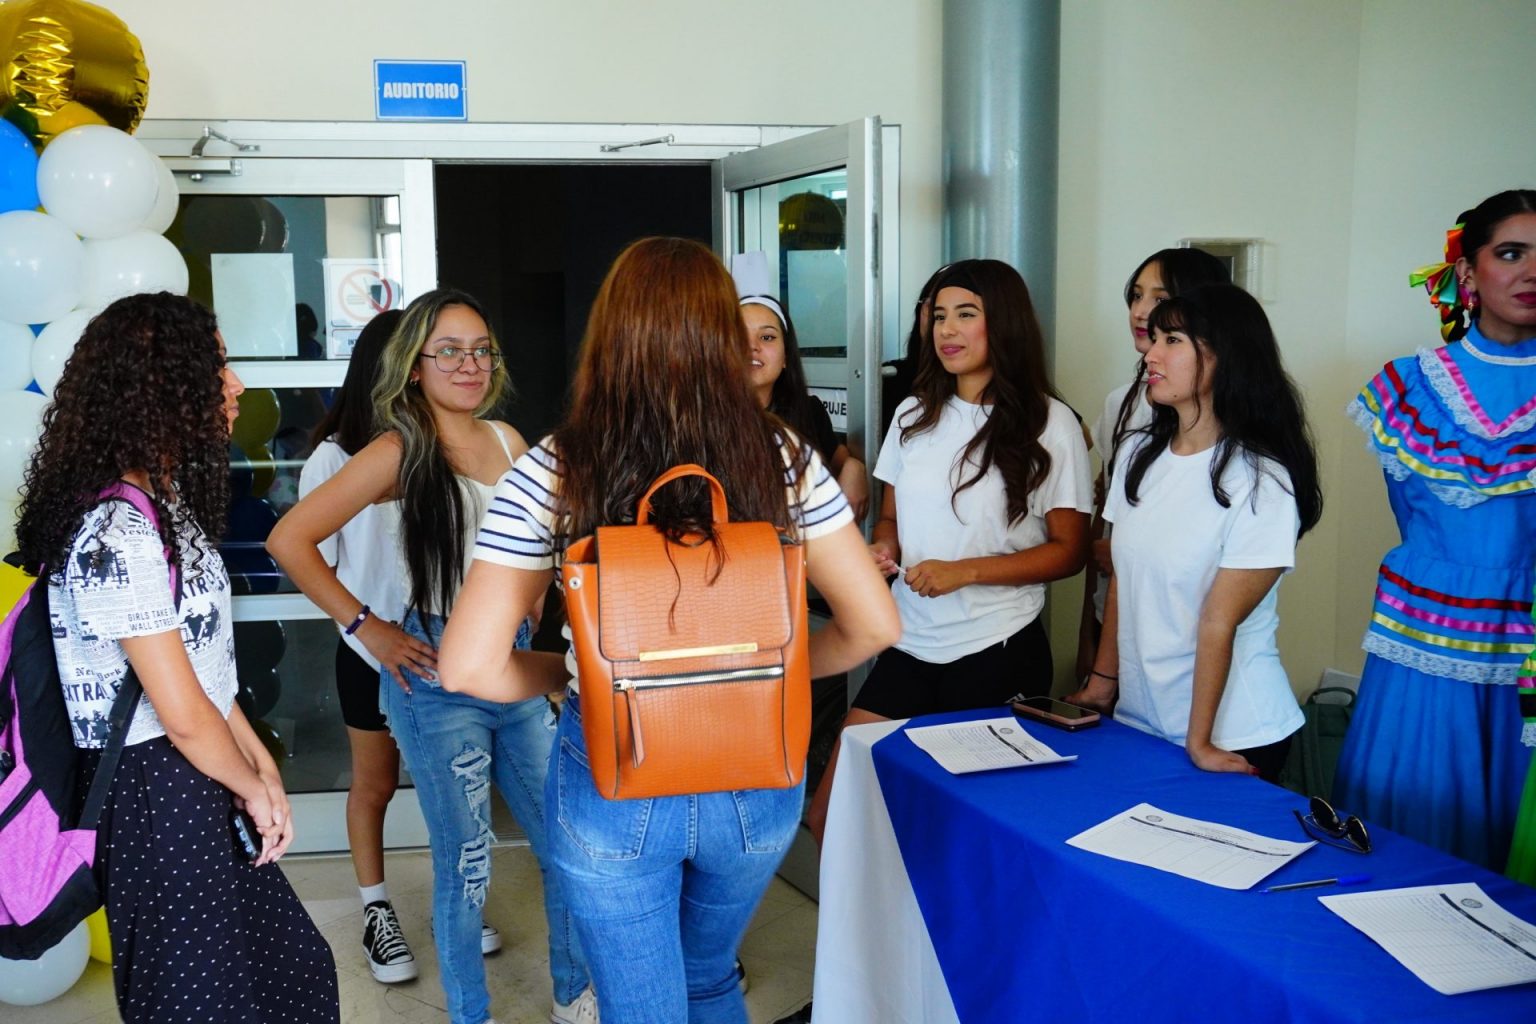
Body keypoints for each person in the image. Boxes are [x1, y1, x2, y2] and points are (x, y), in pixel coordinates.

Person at [436, 237, 900, 1024]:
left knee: (641, 1006)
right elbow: (874, 626)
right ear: (724, 335)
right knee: (710, 976)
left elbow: (468, 667)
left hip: (616, 771)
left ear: (609, 335)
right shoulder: (782, 456)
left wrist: (574, 675)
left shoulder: (557, 466)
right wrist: (773, 674)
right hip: (757, 771)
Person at [268, 288, 594, 1024]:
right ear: (415, 365)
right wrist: (368, 627)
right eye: (449, 351)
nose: (469, 365)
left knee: (566, 843)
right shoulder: (397, 449)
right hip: (435, 671)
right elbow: (289, 540)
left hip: (512, 664)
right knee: (468, 862)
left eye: (481, 351)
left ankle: (573, 995)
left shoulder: (508, 441)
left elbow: (539, 539)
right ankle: (469, 1014)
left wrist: (532, 595)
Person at [15, 292, 338, 1023]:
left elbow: (206, 675)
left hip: (196, 768)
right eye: (217, 366)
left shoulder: (162, 506)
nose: (236, 384)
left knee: (290, 973)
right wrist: (250, 785)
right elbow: (181, 712)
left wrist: (259, 769)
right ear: (161, 387)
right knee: (195, 1000)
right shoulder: (115, 529)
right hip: (155, 788)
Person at [806, 258, 1093, 843]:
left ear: (1003, 323)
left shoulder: (1050, 423)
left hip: (996, 649)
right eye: (939, 316)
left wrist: (966, 572)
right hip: (910, 642)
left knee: (956, 835)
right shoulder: (914, 413)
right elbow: (891, 517)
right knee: (832, 815)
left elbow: (1070, 551)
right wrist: (883, 547)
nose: (947, 330)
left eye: (966, 314)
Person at [1334, 191, 1536, 869]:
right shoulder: (1408, 387)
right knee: (1411, 843)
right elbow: (1413, 514)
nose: (1532, 272)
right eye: (1512, 252)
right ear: (1468, 271)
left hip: (1530, 646)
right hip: (1425, 638)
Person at [1073, 284, 1322, 781]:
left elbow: (1218, 619)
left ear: (1224, 356)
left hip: (1233, 731)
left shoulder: (1262, 479)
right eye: (1154, 339)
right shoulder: (1137, 454)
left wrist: (1200, 741)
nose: (1151, 354)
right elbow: (1123, 580)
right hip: (1141, 719)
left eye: (1172, 341)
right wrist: (1102, 683)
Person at [294, 309, 421, 983]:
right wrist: (364, 627)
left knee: (448, 788)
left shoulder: (444, 447)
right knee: (374, 785)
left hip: (444, 650)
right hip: (370, 652)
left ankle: (462, 902)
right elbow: (310, 559)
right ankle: (376, 910)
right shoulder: (333, 458)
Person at [1075, 248, 1232, 684]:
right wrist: (1087, 637)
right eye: (1136, 296)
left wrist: (1132, 551)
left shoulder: (1232, 421)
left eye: (1160, 299)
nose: (1141, 311)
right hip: (1115, 618)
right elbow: (1104, 517)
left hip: (1188, 630)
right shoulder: (1121, 402)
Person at [734, 258, 870, 520]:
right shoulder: (702, 418)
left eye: (767, 337)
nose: (753, 347)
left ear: (786, 356)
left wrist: (855, 468)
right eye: (739, 336)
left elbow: (842, 461)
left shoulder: (809, 411)